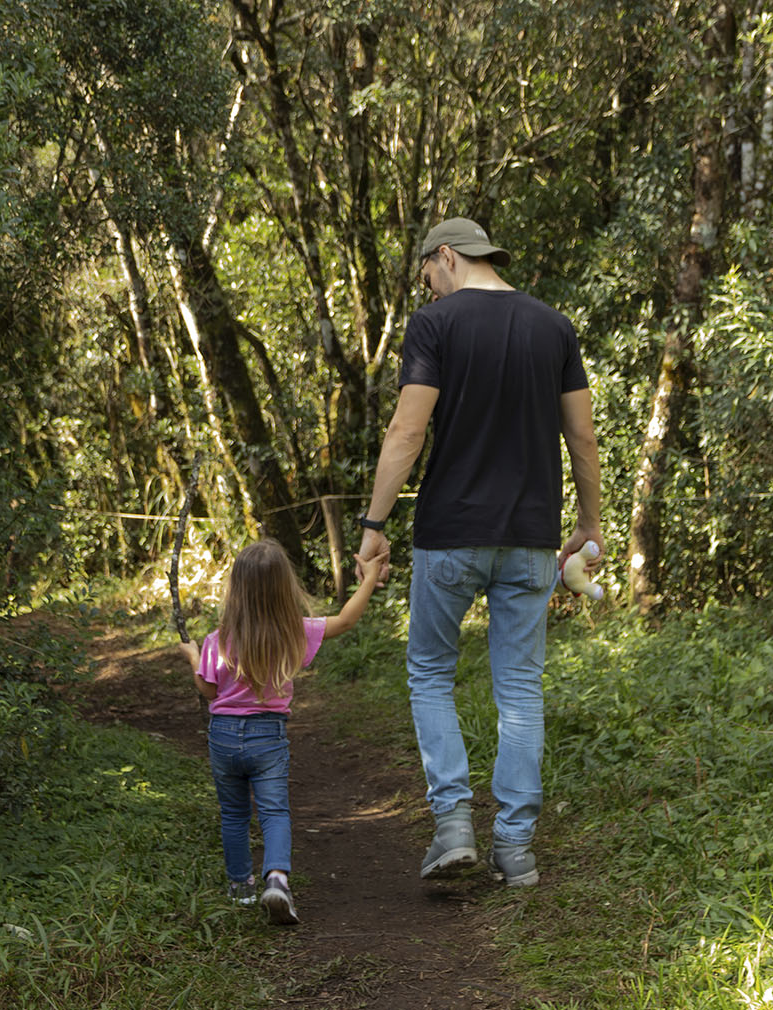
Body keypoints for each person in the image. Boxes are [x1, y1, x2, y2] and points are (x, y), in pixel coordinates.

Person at [355, 216, 602, 887]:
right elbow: (581, 438)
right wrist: (588, 522)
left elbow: (407, 430)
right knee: (519, 688)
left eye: (427, 277)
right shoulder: (553, 326)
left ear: (445, 256)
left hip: (448, 534)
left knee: (431, 673)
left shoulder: (434, 326)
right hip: (529, 538)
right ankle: (515, 850)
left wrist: (373, 521)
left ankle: (454, 824)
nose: (428, 291)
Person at [180, 538, 379, 925]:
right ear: (285, 586)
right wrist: (368, 578)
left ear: (237, 588)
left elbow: (207, 691)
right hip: (268, 736)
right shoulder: (295, 632)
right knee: (274, 812)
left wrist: (191, 656)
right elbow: (347, 620)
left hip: (222, 736)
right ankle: (276, 879)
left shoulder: (216, 640)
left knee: (234, 814)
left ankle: (240, 888)